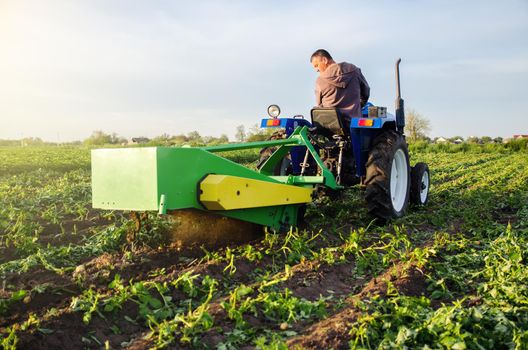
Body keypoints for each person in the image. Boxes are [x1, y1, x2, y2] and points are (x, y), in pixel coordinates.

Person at [310, 49, 370, 129]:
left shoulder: (320, 81)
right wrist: (359, 105)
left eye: (316, 65)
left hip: (332, 127)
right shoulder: (354, 70)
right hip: (355, 123)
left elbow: (319, 104)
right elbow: (366, 91)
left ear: (324, 60)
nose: (316, 70)